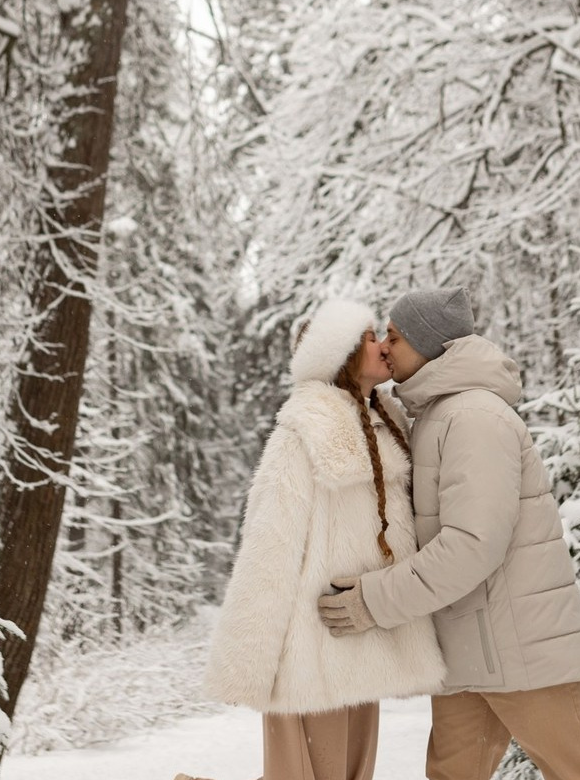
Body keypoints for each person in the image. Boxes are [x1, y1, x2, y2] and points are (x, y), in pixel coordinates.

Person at [318, 287, 580, 780]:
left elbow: (472, 546)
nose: (385, 346)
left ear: (430, 344)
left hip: (524, 653)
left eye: (394, 336)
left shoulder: (472, 417)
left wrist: (374, 600)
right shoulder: (438, 415)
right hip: (469, 652)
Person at [191, 297, 445, 780]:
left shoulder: (386, 422)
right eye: (370, 338)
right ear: (340, 356)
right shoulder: (302, 431)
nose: (383, 345)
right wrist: (247, 662)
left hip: (361, 641)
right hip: (309, 653)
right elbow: (269, 548)